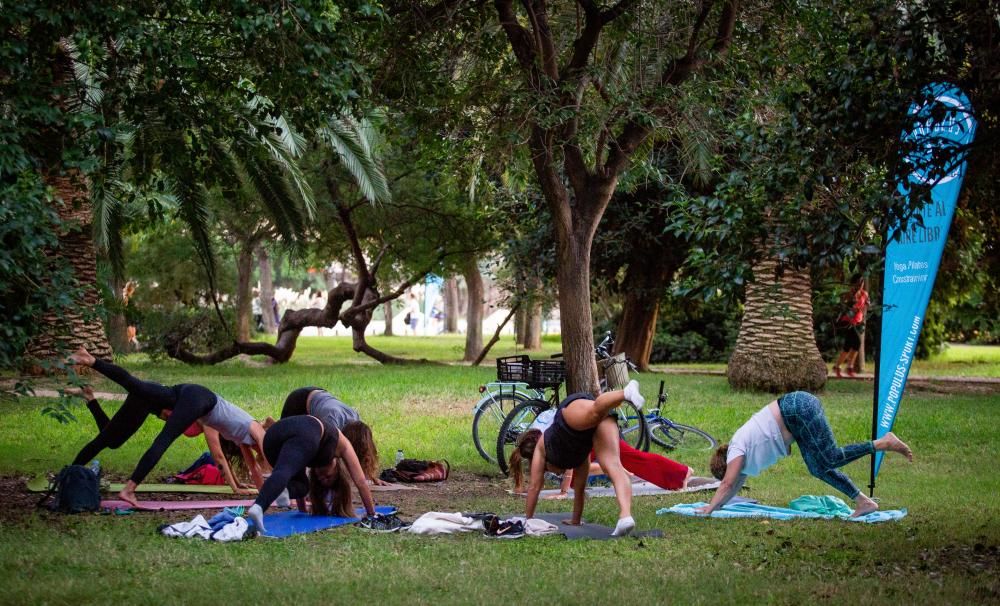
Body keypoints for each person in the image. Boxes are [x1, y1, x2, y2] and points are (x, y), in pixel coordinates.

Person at [67, 347, 270, 507]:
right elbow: (263, 452)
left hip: (187, 393)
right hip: (200, 399)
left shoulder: (241, 439)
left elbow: (254, 469)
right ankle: (129, 489)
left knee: (131, 395)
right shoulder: (256, 430)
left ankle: (91, 361)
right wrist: (280, 480)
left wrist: (262, 496)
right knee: (163, 441)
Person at [699, 391, 913, 517]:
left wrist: (708, 509)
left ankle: (883, 442)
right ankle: (864, 502)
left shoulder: (736, 449)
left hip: (796, 409)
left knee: (830, 457)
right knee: (818, 467)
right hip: (795, 417)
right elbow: (732, 488)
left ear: (728, 464)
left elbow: (727, 484)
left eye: (731, 472)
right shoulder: (743, 463)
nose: (734, 475)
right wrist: (717, 507)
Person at [66, 385, 270, 494]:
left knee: (111, 439)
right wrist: (234, 487)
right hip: (148, 399)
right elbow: (218, 456)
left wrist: (237, 484)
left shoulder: (223, 426)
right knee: (107, 440)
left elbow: (223, 456)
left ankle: (90, 397)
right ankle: (69, 474)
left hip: (150, 404)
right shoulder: (211, 418)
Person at [508, 380, 647, 537]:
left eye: (549, 471)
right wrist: (575, 520)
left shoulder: (542, 445)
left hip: (568, 417)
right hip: (594, 428)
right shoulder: (579, 459)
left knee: (594, 414)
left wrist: (528, 520)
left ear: (545, 463)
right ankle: (625, 516)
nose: (557, 474)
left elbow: (534, 487)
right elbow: (579, 490)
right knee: (613, 466)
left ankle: (626, 393)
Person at [245, 415, 377, 534]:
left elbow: (299, 479)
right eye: (328, 477)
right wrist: (372, 514)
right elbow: (361, 482)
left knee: (301, 486)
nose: (323, 477)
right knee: (284, 472)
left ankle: (283, 490)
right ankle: (259, 506)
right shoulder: (343, 446)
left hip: (273, 441)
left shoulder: (308, 453)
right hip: (296, 430)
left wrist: (301, 511)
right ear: (338, 469)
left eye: (321, 480)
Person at [277, 387, 387, 485]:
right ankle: (269, 427)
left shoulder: (358, 425)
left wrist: (372, 478)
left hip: (321, 397)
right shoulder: (332, 421)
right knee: (285, 444)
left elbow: (364, 453)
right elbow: (323, 454)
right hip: (300, 401)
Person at [832, 276, 869, 377]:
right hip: (847, 321)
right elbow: (846, 308)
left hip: (857, 322)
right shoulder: (849, 294)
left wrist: (862, 315)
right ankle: (848, 367)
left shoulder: (864, 294)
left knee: (849, 346)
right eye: (858, 283)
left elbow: (866, 305)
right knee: (857, 342)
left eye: (861, 283)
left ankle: (838, 367)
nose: (860, 285)